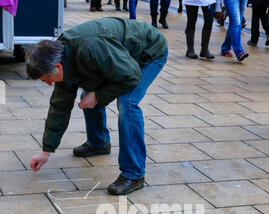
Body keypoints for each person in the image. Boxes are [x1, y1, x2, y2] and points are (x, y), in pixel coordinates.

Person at [26, 18, 168, 196]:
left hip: (148, 51)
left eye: (47, 79)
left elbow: (131, 75)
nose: (48, 84)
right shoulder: (64, 59)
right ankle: (98, 143)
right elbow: (59, 108)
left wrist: (99, 95)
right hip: (119, 58)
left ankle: (134, 174)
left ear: (58, 67)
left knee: (127, 103)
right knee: (88, 96)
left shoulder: (90, 47)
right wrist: (46, 151)